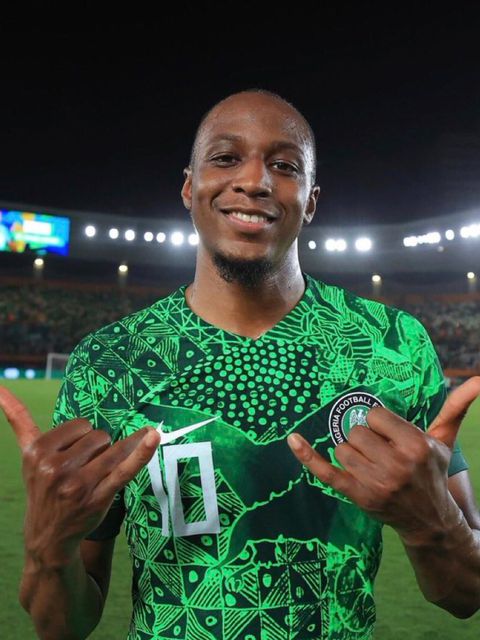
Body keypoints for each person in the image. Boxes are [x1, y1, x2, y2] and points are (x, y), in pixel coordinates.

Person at [1, 89, 480, 640]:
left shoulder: (393, 345)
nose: (254, 180)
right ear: (189, 187)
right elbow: (63, 627)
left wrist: (434, 525)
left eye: (285, 165)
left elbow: (466, 595)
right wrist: (48, 548)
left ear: (311, 200)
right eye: (226, 157)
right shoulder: (111, 362)